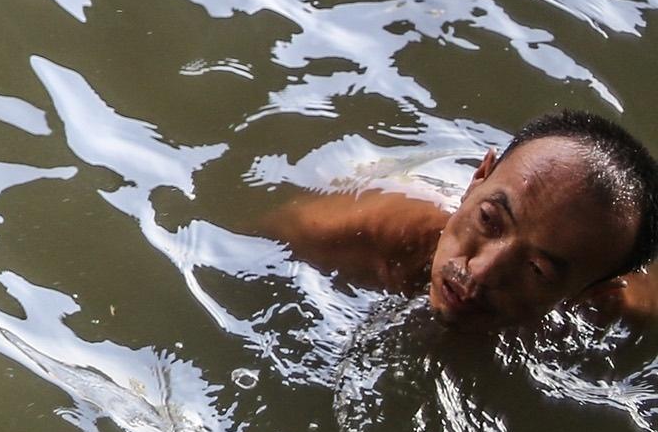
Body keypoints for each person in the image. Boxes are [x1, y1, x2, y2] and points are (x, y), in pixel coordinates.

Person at [265, 110, 658, 328]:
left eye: (537, 270)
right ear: (478, 179)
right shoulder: (354, 232)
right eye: (490, 220)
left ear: (588, 294)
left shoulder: (628, 308)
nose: (483, 271)